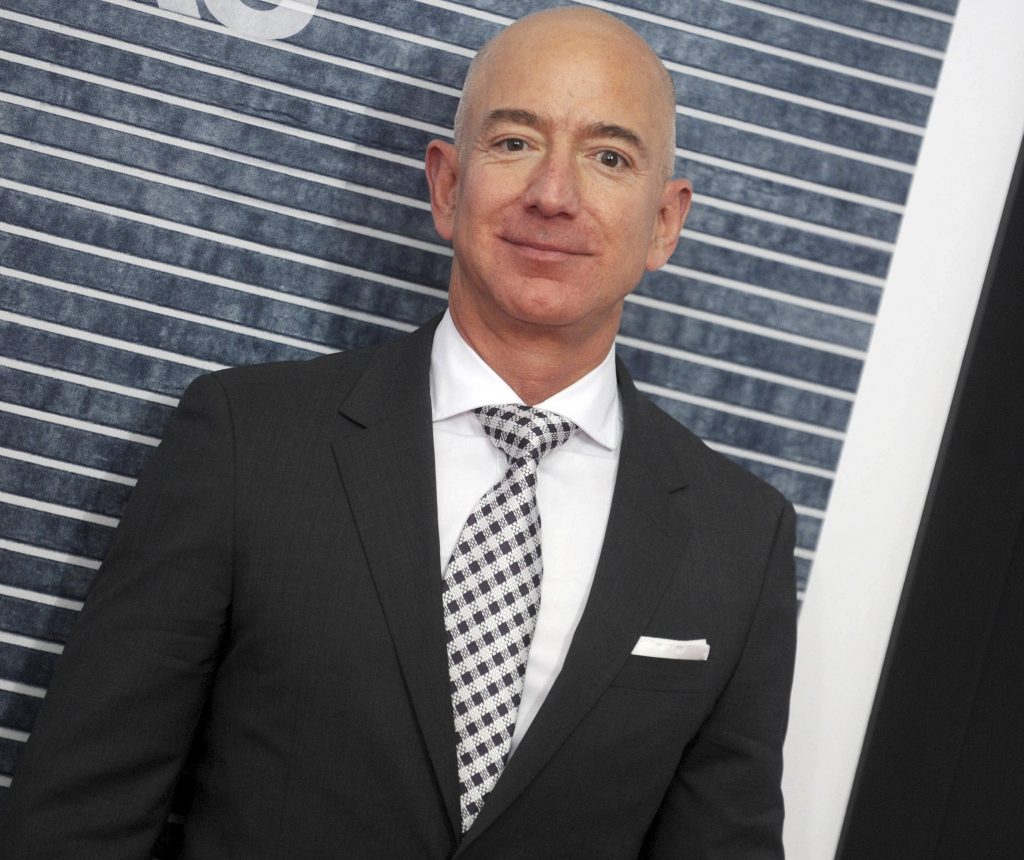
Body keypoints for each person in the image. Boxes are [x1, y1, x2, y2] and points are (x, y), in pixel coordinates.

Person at [0, 7, 797, 858]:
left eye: (608, 157)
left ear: (666, 221)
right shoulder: (245, 443)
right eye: (515, 142)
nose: (553, 195)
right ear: (447, 186)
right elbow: (80, 818)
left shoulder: (740, 541)